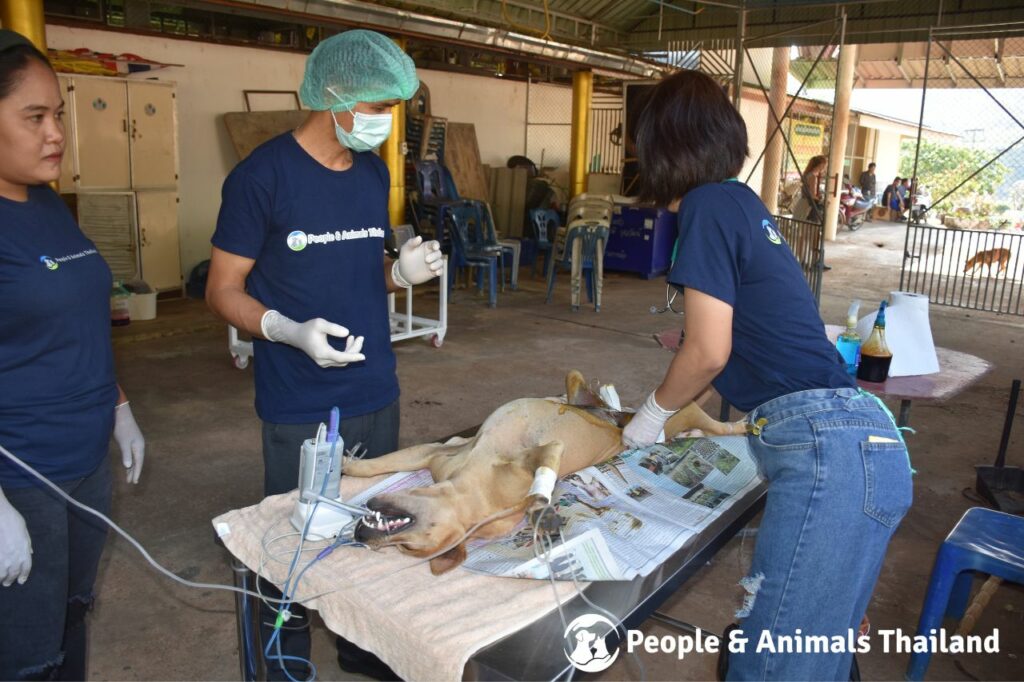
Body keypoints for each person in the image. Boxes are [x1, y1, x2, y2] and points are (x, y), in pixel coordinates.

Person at [621, 69, 912, 680]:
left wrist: (648, 417)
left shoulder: (705, 206)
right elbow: (729, 338)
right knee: (816, 659)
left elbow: (707, 352)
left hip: (825, 450)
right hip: (859, 442)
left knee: (774, 667)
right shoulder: (743, 203)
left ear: (665, 150)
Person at [205, 29, 440, 680]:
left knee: (371, 532)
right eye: (379, 107)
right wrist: (287, 329)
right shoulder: (262, 177)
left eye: (393, 108)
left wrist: (403, 274)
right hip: (299, 400)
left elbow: (365, 271)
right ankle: (283, 663)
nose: (385, 122)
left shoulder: (372, 171)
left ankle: (365, 646)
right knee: (292, 543)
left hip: (376, 391)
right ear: (334, 97)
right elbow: (221, 290)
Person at [0, 29, 146, 680]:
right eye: (34, 117)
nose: (55, 132)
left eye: (57, 114)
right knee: (25, 652)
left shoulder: (46, 203)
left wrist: (117, 405)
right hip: (20, 475)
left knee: (70, 616)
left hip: (84, 461)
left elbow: (76, 320)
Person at [792, 154, 826, 222]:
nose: (825, 167)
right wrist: (821, 200)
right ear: (820, 165)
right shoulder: (813, 177)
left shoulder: (807, 174)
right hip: (807, 205)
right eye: (824, 165)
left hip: (802, 201)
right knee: (806, 226)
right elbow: (812, 195)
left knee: (799, 223)